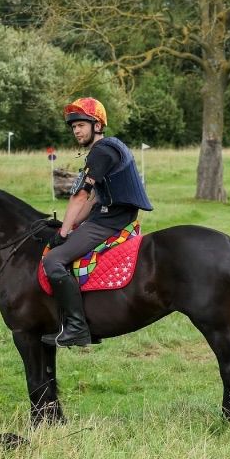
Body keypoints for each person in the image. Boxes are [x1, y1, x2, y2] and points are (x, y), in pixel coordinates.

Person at [43, 97, 153, 347]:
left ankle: (77, 328)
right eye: (73, 127)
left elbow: (80, 194)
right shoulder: (110, 148)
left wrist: (62, 235)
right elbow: (93, 199)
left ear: (98, 125)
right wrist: (68, 227)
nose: (76, 130)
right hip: (108, 214)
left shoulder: (102, 152)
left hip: (109, 221)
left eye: (81, 124)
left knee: (53, 259)